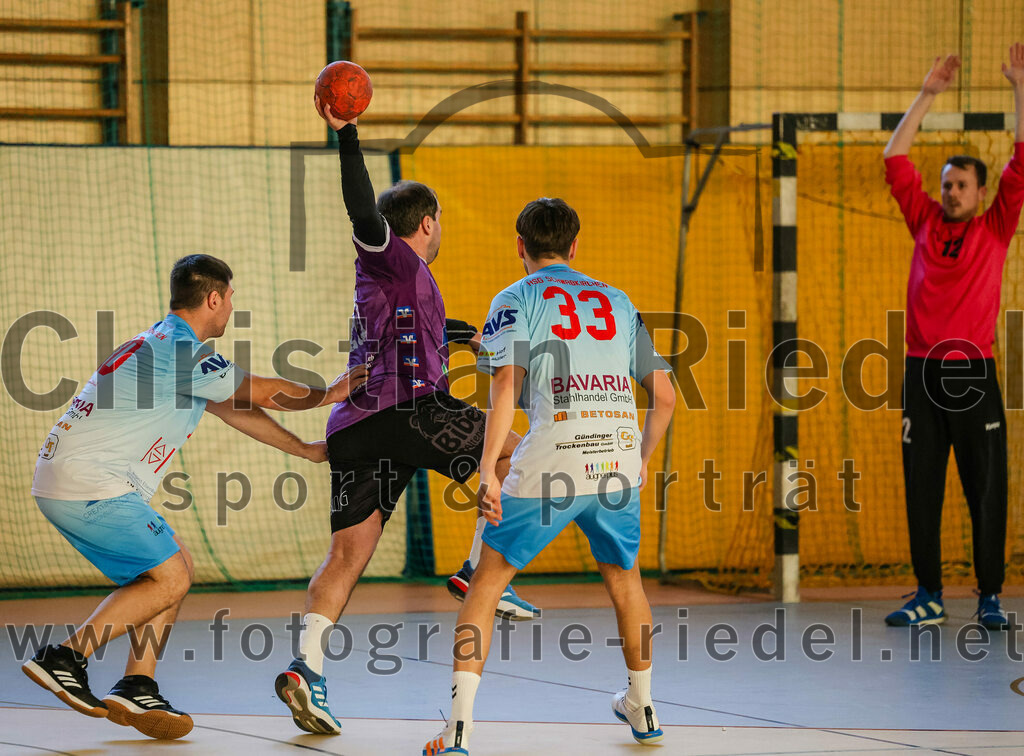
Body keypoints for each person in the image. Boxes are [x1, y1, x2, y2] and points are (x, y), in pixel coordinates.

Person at [273, 100, 538, 736]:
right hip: (409, 409)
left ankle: (305, 669)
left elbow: (405, 335)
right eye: (439, 221)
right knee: (519, 450)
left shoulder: (401, 286)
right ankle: (477, 566)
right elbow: (362, 210)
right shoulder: (394, 257)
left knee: (346, 555)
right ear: (425, 222)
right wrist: (346, 135)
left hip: (357, 428)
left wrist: (455, 334)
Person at [22, 254, 366, 740]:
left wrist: (306, 450)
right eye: (230, 299)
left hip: (72, 479)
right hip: (89, 484)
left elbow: (236, 408)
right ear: (213, 298)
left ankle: (137, 684)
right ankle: (64, 657)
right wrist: (329, 393)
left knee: (172, 565)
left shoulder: (160, 343)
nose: (230, 308)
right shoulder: (185, 351)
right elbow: (261, 392)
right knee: (171, 576)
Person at [422, 198, 677, 755]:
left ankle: (457, 729)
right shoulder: (618, 299)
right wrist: (641, 459)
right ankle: (644, 705)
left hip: (551, 460)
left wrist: (488, 469)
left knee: (484, 585)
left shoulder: (515, 298)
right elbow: (664, 397)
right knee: (626, 583)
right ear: (575, 246)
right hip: (615, 462)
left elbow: (505, 389)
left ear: (520, 246)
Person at [882, 45, 1024, 630]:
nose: (950, 191)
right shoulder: (922, 220)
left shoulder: (995, 226)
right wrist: (928, 95)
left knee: (984, 487)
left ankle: (990, 595)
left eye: (961, 184)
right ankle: (929, 595)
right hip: (920, 372)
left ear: (981, 191)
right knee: (922, 488)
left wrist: (1018, 85)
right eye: (946, 183)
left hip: (972, 372)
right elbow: (895, 156)